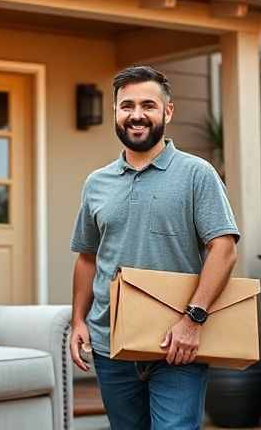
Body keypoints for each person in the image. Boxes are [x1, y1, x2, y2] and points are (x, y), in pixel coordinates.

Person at [69, 65, 240, 429]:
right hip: (110, 342)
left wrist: (193, 320)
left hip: (177, 342)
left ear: (168, 111)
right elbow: (86, 257)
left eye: (148, 105)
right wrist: (79, 320)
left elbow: (223, 249)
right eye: (126, 106)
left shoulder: (197, 174)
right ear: (115, 113)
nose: (136, 115)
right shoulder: (96, 183)